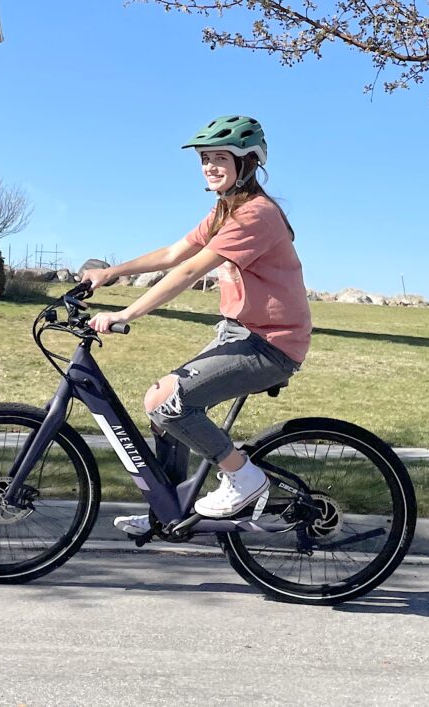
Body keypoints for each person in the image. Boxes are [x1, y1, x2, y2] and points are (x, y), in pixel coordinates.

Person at [81, 115, 312, 535]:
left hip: (271, 343)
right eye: (205, 159)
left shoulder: (255, 215)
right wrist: (111, 272)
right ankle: (168, 509)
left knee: (167, 403)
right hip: (239, 334)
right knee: (160, 405)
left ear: (248, 162)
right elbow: (174, 252)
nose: (209, 166)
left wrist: (125, 314)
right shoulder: (226, 210)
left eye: (220, 158)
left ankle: (245, 478)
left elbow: (188, 272)